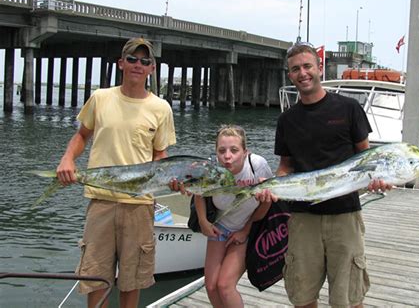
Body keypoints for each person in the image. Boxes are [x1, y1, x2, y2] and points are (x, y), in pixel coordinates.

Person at [56, 37, 176, 308]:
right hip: (101, 201)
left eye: (145, 61)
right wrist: (67, 159)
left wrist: (172, 177)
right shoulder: (100, 98)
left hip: (140, 205)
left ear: (152, 69)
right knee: (96, 277)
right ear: (121, 63)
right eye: (132, 59)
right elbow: (82, 135)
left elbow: (160, 155)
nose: (138, 65)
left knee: (132, 280)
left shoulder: (161, 108)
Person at [272, 42, 392, 308]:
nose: (302, 73)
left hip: (345, 215)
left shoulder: (349, 109)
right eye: (295, 69)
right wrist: (272, 184)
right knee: (302, 296)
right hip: (303, 218)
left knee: (348, 298)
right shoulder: (286, 120)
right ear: (289, 75)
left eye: (307, 66)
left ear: (319, 68)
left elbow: (366, 158)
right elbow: (285, 166)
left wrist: (378, 180)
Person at [195, 125, 273, 307]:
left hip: (249, 227)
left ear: (245, 152)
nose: (227, 156)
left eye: (234, 150)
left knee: (225, 286)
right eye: (222, 151)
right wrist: (203, 221)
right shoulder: (211, 169)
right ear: (216, 153)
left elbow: (267, 202)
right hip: (221, 227)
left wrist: (245, 231)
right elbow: (199, 193)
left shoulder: (257, 166)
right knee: (211, 285)